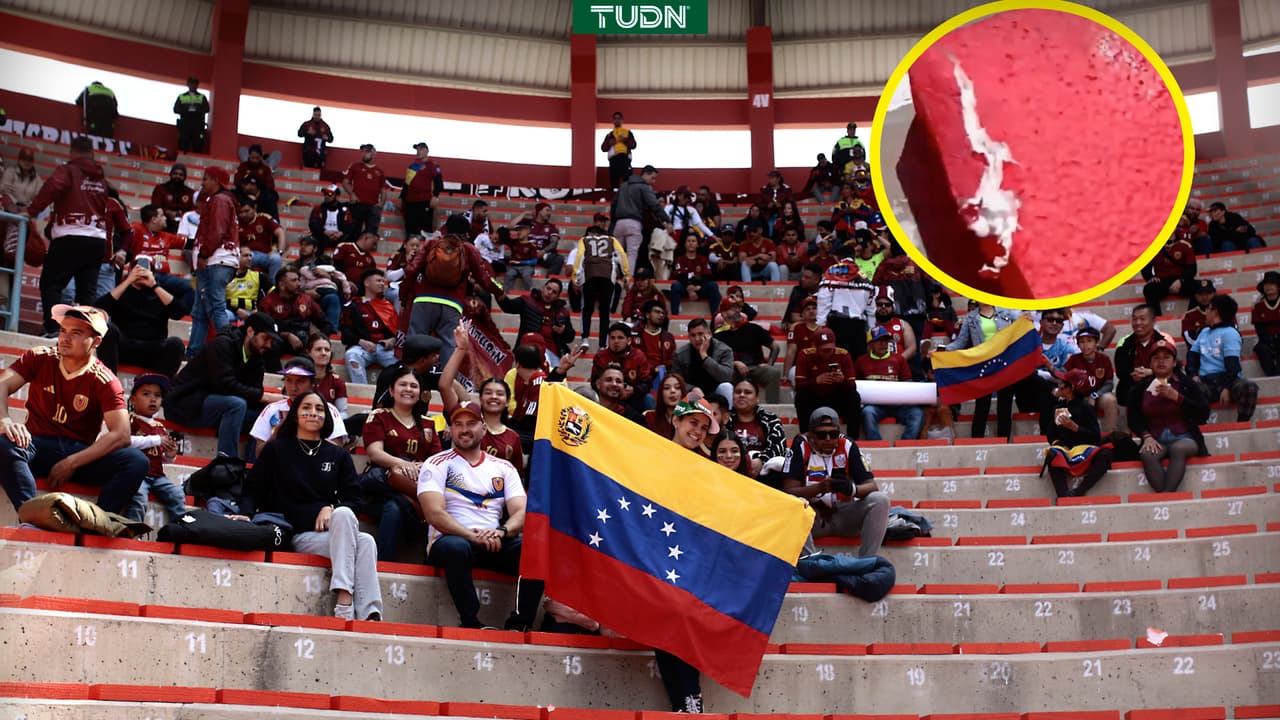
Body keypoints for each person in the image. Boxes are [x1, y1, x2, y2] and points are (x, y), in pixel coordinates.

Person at [244, 391, 383, 621]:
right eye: (306, 408)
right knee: (361, 538)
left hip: (333, 532)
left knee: (359, 532)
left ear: (326, 417)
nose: (313, 413)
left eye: (319, 409)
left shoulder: (338, 455)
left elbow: (356, 501)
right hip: (299, 533)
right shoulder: (277, 449)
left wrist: (330, 507)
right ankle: (345, 598)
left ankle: (369, 614)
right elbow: (253, 488)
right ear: (295, 414)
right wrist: (245, 514)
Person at [0, 305, 147, 515]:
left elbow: (121, 434)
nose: (65, 338)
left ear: (96, 342)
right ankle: (33, 515)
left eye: (76, 333)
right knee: (4, 442)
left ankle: (98, 521)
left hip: (80, 454)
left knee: (136, 461)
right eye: (63, 330)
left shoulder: (105, 379)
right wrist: (5, 421)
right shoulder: (40, 357)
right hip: (36, 445)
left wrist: (71, 462)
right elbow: (2, 384)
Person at [419, 402, 543, 629]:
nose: (464, 429)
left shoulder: (504, 467)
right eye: (458, 424)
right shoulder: (436, 463)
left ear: (484, 428)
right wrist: (471, 535)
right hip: (450, 541)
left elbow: (522, 511)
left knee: (536, 549)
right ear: (451, 429)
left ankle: (519, 625)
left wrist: (502, 532)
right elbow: (434, 513)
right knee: (457, 548)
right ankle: (470, 622)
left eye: (471, 424)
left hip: (493, 541)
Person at [26, 136, 130, 337]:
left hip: (70, 235)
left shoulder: (68, 170)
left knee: (51, 284)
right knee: (86, 292)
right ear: (92, 153)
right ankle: (82, 335)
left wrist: (31, 211)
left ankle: (54, 329)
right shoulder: (101, 179)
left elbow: (52, 188)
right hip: (97, 240)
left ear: (72, 151)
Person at [654, 396, 719, 713]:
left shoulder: (706, 469)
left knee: (683, 617)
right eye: (694, 422)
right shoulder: (650, 455)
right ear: (676, 420)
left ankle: (689, 702)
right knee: (668, 618)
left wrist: (789, 506)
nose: (698, 431)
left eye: (705, 428)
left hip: (687, 558)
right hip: (653, 553)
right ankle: (685, 702)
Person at [166, 312, 285, 458]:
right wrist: (264, 396)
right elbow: (224, 385)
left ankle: (252, 465)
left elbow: (253, 392)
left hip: (216, 406)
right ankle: (227, 462)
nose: (268, 345)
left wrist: (268, 404)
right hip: (186, 403)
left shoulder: (257, 357)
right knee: (236, 404)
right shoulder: (222, 344)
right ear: (250, 331)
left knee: (265, 414)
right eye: (265, 338)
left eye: (271, 341)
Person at [783, 406, 889, 556]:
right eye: (822, 435)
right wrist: (820, 488)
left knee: (880, 500)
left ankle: (867, 561)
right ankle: (812, 562)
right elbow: (788, 491)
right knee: (792, 505)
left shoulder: (848, 445)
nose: (828, 439)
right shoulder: (800, 445)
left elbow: (871, 486)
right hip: (814, 517)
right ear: (811, 434)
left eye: (833, 434)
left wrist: (851, 489)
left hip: (845, 514)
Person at [361, 366, 442, 561]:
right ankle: (384, 566)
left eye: (413, 386)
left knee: (395, 507)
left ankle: (384, 565)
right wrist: (403, 465)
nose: (408, 389)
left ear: (420, 392)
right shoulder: (379, 415)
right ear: (391, 390)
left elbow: (437, 460)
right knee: (392, 504)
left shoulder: (428, 423)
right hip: (383, 486)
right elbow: (375, 453)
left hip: (414, 484)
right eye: (402, 384)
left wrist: (421, 467)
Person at [406, 214, 505, 365]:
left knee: (415, 342)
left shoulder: (432, 243)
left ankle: (408, 376)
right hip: (452, 304)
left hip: (424, 299)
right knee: (449, 345)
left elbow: (412, 270)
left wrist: (404, 296)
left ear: (446, 229)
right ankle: (447, 379)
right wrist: (500, 290)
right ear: (466, 232)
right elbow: (484, 278)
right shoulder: (468, 248)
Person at [1128, 339, 1209, 493]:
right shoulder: (1139, 389)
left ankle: (1166, 496)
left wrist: (1178, 398)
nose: (1161, 361)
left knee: (1178, 449)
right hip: (1155, 437)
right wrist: (1146, 436)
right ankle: (1166, 496)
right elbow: (1133, 419)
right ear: (1150, 364)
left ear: (1174, 363)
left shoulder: (1186, 384)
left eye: (1166, 357)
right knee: (1147, 454)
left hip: (1184, 436)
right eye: (1156, 358)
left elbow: (1203, 413)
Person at [438, 325, 525, 469]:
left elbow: (516, 474)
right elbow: (444, 385)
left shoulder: (513, 437)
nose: (494, 397)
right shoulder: (466, 419)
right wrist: (461, 349)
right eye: (488, 392)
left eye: (499, 394)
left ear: (507, 401)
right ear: (480, 398)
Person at [94, 261, 188, 377]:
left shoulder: (160, 294)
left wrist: (154, 285)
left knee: (176, 344)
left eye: (145, 271)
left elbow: (179, 312)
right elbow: (99, 308)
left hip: (152, 350)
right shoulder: (122, 292)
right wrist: (128, 281)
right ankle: (109, 380)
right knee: (107, 328)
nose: (141, 274)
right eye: (137, 270)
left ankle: (160, 385)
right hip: (124, 347)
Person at [187, 166, 240, 358]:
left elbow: (217, 231)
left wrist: (203, 254)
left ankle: (229, 351)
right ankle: (193, 352)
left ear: (216, 180)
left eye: (206, 178)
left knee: (216, 307)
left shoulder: (220, 200)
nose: (202, 183)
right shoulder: (221, 200)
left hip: (216, 259)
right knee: (199, 311)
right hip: (215, 260)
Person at [249, 356, 347, 455]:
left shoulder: (328, 410)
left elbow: (337, 452)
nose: (293, 388)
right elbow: (259, 454)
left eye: (300, 381)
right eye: (288, 380)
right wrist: (278, 433)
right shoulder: (272, 409)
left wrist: (312, 436)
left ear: (312, 383)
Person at [951, 304, 1022, 438]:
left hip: (1004, 364)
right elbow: (960, 343)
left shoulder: (1007, 313)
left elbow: (1020, 331)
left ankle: (1004, 442)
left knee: (1005, 407)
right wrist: (942, 350)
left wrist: (1027, 320)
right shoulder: (970, 318)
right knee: (981, 406)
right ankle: (977, 442)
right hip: (983, 366)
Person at [1043, 369, 1114, 500]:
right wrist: (1058, 443)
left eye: (1063, 383)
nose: (1059, 385)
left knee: (1106, 454)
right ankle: (1063, 495)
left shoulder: (1086, 408)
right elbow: (1050, 434)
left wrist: (1075, 428)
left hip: (1085, 450)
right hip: (1065, 451)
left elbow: (1095, 436)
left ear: (1071, 388)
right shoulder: (1057, 407)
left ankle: (1080, 490)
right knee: (1052, 454)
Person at [125, 373, 186, 523]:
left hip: (158, 476)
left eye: (157, 395)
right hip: (138, 474)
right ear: (133, 400)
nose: (153, 399)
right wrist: (156, 440)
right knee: (139, 497)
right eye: (146, 394)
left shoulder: (160, 427)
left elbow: (159, 457)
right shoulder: (130, 419)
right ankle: (133, 529)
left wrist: (170, 455)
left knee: (177, 494)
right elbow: (125, 441)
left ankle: (179, 528)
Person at [1188, 294, 1258, 422]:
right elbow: (1192, 357)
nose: (1205, 312)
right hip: (1206, 382)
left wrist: (1227, 388)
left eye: (1208, 308)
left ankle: (1242, 422)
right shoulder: (1204, 332)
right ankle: (1199, 425)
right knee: (1191, 388)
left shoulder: (1230, 333)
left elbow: (1233, 366)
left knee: (1250, 387)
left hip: (1227, 380)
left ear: (1215, 312)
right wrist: (1193, 375)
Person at [855, 326, 923, 441]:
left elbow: (908, 383)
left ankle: (905, 443)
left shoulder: (899, 359)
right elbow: (856, 385)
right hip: (875, 405)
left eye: (885, 341)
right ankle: (877, 445)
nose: (883, 344)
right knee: (867, 412)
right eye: (879, 341)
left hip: (898, 404)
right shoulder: (861, 361)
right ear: (871, 344)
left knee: (917, 413)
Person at [572, 217, 630, 344]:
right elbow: (622, 255)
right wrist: (627, 274)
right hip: (607, 275)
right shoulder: (611, 239)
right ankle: (603, 343)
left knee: (587, 308)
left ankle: (585, 339)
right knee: (605, 310)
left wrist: (575, 276)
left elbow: (580, 256)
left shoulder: (584, 239)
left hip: (590, 274)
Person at [815, 242, 875, 362]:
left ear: (837, 257)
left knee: (839, 360)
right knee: (858, 361)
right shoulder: (864, 277)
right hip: (859, 326)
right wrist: (871, 328)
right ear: (854, 257)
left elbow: (824, 299)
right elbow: (871, 307)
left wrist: (820, 323)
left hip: (838, 325)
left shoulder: (832, 273)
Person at [794, 328, 860, 434]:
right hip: (814, 398)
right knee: (801, 396)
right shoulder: (805, 355)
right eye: (824, 350)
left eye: (830, 349)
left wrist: (842, 380)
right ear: (815, 347)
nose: (827, 353)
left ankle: (852, 436)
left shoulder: (843, 354)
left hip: (836, 398)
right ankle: (805, 434)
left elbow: (852, 385)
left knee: (854, 396)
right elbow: (799, 386)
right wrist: (816, 381)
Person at [342, 269, 399, 384]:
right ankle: (362, 390)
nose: (382, 284)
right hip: (362, 348)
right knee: (352, 356)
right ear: (367, 283)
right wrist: (361, 342)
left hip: (385, 349)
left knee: (403, 365)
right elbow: (345, 333)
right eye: (378, 281)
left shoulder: (388, 306)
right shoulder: (354, 305)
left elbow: (397, 331)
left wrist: (392, 340)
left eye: (383, 281)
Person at [714, 304, 781, 403]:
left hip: (755, 367)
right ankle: (727, 407)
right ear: (723, 313)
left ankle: (772, 405)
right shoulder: (718, 335)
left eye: (737, 308)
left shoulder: (753, 328)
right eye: (732, 309)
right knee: (721, 376)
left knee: (773, 372)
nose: (736, 311)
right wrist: (735, 363)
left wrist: (769, 364)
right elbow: (715, 359)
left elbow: (775, 347)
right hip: (731, 369)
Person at [263, 267, 333, 358]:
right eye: (294, 280)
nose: (299, 284)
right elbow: (265, 329)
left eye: (299, 280)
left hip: (304, 341)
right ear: (282, 285)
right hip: (279, 340)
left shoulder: (306, 300)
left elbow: (326, 324)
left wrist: (316, 340)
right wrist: (287, 336)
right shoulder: (268, 302)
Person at [614, 165, 671, 274]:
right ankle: (628, 278)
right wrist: (667, 220)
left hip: (619, 223)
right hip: (634, 223)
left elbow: (614, 205)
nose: (653, 181)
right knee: (631, 254)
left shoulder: (623, 186)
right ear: (646, 174)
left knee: (617, 254)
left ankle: (614, 277)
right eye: (653, 178)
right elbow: (654, 205)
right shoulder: (644, 187)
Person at [1062, 326, 1118, 434]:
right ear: (1078, 344)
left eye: (1089, 341)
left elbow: (1109, 384)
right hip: (1079, 396)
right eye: (1082, 342)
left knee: (1110, 400)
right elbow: (1062, 374)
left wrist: (1095, 395)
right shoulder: (1074, 359)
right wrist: (1050, 368)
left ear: (1097, 342)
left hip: (1098, 395)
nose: (1085, 345)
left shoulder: (1104, 359)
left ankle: (1111, 435)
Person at [672, 318, 735, 404]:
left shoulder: (724, 350)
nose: (697, 339)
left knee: (726, 387)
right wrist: (691, 388)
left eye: (700, 334)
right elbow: (676, 380)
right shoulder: (680, 354)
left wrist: (704, 356)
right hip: (692, 394)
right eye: (693, 335)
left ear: (709, 334)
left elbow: (726, 377)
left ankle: (728, 412)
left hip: (717, 393)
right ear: (689, 337)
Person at [591, 323, 652, 412]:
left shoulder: (638, 356)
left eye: (620, 338)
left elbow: (647, 383)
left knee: (649, 399)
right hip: (606, 397)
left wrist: (634, 390)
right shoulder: (601, 357)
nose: (616, 341)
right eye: (612, 338)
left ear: (629, 340)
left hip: (632, 397)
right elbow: (594, 382)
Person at [723, 378, 786, 463]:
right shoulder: (725, 419)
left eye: (747, 392)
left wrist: (761, 460)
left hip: (763, 466)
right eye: (738, 392)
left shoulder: (770, 419)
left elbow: (778, 448)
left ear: (757, 398)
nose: (742, 395)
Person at [1142, 225, 1197, 309]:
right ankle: (1156, 316)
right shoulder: (1152, 245)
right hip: (1161, 281)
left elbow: (1192, 268)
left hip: (1180, 280)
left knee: (1199, 288)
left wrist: (1181, 280)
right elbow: (1145, 266)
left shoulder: (1185, 245)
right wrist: (1150, 277)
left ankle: (1191, 314)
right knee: (1149, 289)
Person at [236, 198, 286, 286]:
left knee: (276, 259)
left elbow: (280, 232)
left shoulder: (264, 218)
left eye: (247, 211)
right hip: (248, 254)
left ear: (254, 208)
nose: (243, 215)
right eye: (241, 212)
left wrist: (279, 251)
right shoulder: (237, 222)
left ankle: (272, 285)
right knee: (246, 257)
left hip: (266, 255)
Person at [669, 234, 720, 317]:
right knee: (675, 286)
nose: (691, 243)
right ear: (685, 244)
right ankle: (675, 316)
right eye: (688, 241)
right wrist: (689, 288)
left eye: (693, 241)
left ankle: (715, 316)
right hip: (685, 288)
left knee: (713, 285)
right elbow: (680, 276)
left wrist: (698, 287)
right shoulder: (680, 259)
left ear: (697, 244)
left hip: (700, 288)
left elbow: (707, 276)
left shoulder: (703, 259)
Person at [344, 144, 387, 237]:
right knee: (353, 232)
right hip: (357, 204)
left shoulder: (379, 171)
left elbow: (383, 189)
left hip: (373, 206)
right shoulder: (355, 166)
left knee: (371, 234)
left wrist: (382, 203)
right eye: (362, 151)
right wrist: (352, 194)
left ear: (374, 153)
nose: (364, 154)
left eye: (367, 152)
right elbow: (345, 182)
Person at [402, 142, 442, 237]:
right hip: (410, 202)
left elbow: (439, 182)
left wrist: (435, 196)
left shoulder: (433, 165)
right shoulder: (412, 166)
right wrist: (401, 198)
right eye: (417, 149)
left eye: (421, 149)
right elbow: (407, 184)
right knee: (410, 229)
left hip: (425, 201)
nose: (418, 151)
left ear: (427, 150)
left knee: (425, 230)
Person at [308, 334, 349, 417]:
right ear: (308, 352)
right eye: (318, 349)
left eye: (327, 350)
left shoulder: (337, 381)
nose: (323, 353)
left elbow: (343, 412)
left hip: (329, 421)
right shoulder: (301, 378)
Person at [784, 296, 821, 384]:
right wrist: (785, 374)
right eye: (807, 309)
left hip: (821, 365)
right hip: (801, 366)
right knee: (794, 373)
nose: (811, 311)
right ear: (802, 314)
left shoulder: (825, 327)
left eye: (814, 308)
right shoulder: (796, 328)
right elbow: (791, 352)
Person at [235, 145, 278, 220]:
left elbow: (270, 185)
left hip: (260, 194)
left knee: (271, 196)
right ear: (249, 156)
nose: (254, 160)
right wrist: (245, 186)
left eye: (257, 158)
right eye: (252, 158)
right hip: (244, 192)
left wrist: (257, 189)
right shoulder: (243, 166)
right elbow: (236, 181)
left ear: (261, 157)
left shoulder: (265, 169)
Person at [150, 164, 196, 234]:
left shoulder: (190, 193)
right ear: (170, 174)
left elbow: (193, 211)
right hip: (163, 223)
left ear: (185, 177)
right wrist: (167, 212)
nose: (178, 176)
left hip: (183, 225)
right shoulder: (160, 189)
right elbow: (155, 207)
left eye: (181, 175)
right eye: (175, 174)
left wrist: (181, 214)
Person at [309, 185, 355, 249]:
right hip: (323, 235)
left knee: (351, 237)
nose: (326, 196)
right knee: (316, 236)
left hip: (339, 236)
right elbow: (313, 223)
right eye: (325, 194)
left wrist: (341, 233)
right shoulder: (319, 209)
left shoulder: (344, 210)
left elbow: (350, 225)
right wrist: (324, 231)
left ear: (337, 196)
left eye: (330, 194)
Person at [226, 246, 266, 320]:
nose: (249, 258)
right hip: (231, 311)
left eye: (250, 256)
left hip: (252, 313)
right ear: (237, 257)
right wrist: (237, 310)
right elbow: (219, 300)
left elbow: (272, 295)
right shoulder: (226, 276)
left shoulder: (258, 276)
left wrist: (259, 310)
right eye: (245, 256)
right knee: (224, 315)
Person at [1252, 271, 1280, 376]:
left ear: (1278, 287)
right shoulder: (1258, 306)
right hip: (1266, 339)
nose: (1268, 286)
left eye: (1272, 283)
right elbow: (1259, 328)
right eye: (1266, 284)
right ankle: (1272, 375)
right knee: (1261, 348)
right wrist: (1269, 340)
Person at [644, 373, 686, 439]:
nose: (672, 391)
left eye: (677, 387)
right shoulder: (649, 417)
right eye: (667, 388)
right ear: (661, 393)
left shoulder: (690, 420)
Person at [602, 111, 637, 190]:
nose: (617, 120)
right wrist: (609, 143)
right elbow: (603, 148)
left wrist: (624, 140)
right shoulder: (610, 135)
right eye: (615, 119)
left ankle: (628, 196)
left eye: (619, 118)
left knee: (628, 182)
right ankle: (615, 196)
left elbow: (633, 145)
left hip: (625, 159)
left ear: (622, 120)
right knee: (614, 183)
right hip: (613, 160)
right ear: (613, 120)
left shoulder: (628, 133)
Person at [173, 77, 209, 153]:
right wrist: (187, 110)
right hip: (185, 125)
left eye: (194, 84)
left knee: (198, 145)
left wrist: (196, 110)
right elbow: (175, 109)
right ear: (188, 84)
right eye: (191, 83)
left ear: (197, 85)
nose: (192, 85)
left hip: (197, 125)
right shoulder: (181, 96)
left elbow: (206, 109)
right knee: (183, 145)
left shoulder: (202, 97)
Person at [529, 202, 566, 277]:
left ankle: (549, 280)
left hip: (543, 255)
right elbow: (511, 227)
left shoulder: (551, 227)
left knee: (559, 259)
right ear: (539, 211)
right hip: (528, 253)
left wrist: (543, 251)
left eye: (550, 211)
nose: (549, 213)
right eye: (547, 210)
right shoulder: (528, 224)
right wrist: (523, 214)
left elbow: (554, 243)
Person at [1181, 279, 1217, 346]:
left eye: (1208, 293)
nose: (1204, 297)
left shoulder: (1223, 311)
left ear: (1214, 294)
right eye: (1200, 294)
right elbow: (1189, 340)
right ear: (1195, 296)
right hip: (1198, 351)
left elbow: (1233, 330)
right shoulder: (1189, 316)